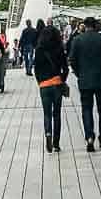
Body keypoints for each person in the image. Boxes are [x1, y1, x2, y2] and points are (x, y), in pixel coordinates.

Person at [69, 15, 101, 152]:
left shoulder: (77, 40)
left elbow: (72, 60)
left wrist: (79, 73)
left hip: (85, 80)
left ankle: (89, 136)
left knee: (86, 109)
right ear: (95, 25)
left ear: (84, 26)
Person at [34, 22, 69, 152]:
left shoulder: (39, 50)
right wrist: (62, 79)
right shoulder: (59, 48)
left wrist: (40, 81)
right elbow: (65, 68)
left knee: (47, 113)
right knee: (57, 114)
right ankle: (56, 142)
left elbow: (36, 68)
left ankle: (48, 133)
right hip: (56, 83)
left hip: (44, 85)